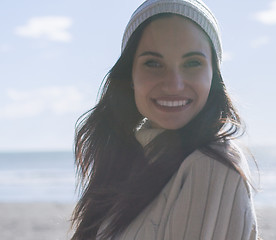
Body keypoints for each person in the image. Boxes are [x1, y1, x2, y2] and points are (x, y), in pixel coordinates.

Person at [71, 0, 258, 239]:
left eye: (192, 63)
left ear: (214, 76)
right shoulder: (130, 160)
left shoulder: (211, 164)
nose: (174, 84)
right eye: (153, 63)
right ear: (130, 74)